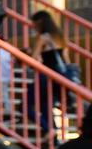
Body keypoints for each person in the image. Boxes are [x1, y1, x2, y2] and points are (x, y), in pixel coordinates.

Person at [28, 10, 70, 138]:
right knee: (46, 104)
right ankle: (53, 134)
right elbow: (66, 60)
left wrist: (31, 54)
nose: (33, 27)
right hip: (59, 77)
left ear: (39, 23)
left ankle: (48, 128)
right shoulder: (60, 37)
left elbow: (33, 59)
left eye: (34, 24)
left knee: (25, 106)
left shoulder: (43, 37)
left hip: (46, 76)